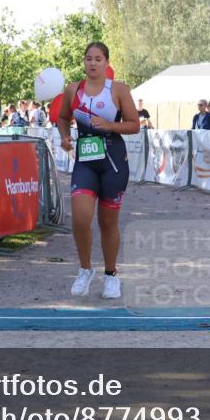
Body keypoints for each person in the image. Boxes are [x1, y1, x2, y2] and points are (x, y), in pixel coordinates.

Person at [57, 41, 140, 300]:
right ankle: (85, 269)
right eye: (88, 58)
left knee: (107, 223)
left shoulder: (119, 90)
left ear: (106, 63)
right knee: (80, 218)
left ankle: (111, 275)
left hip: (113, 161)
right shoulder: (73, 89)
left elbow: (134, 125)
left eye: (97, 59)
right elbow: (62, 117)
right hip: (86, 160)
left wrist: (109, 125)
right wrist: (64, 136)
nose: (92, 63)